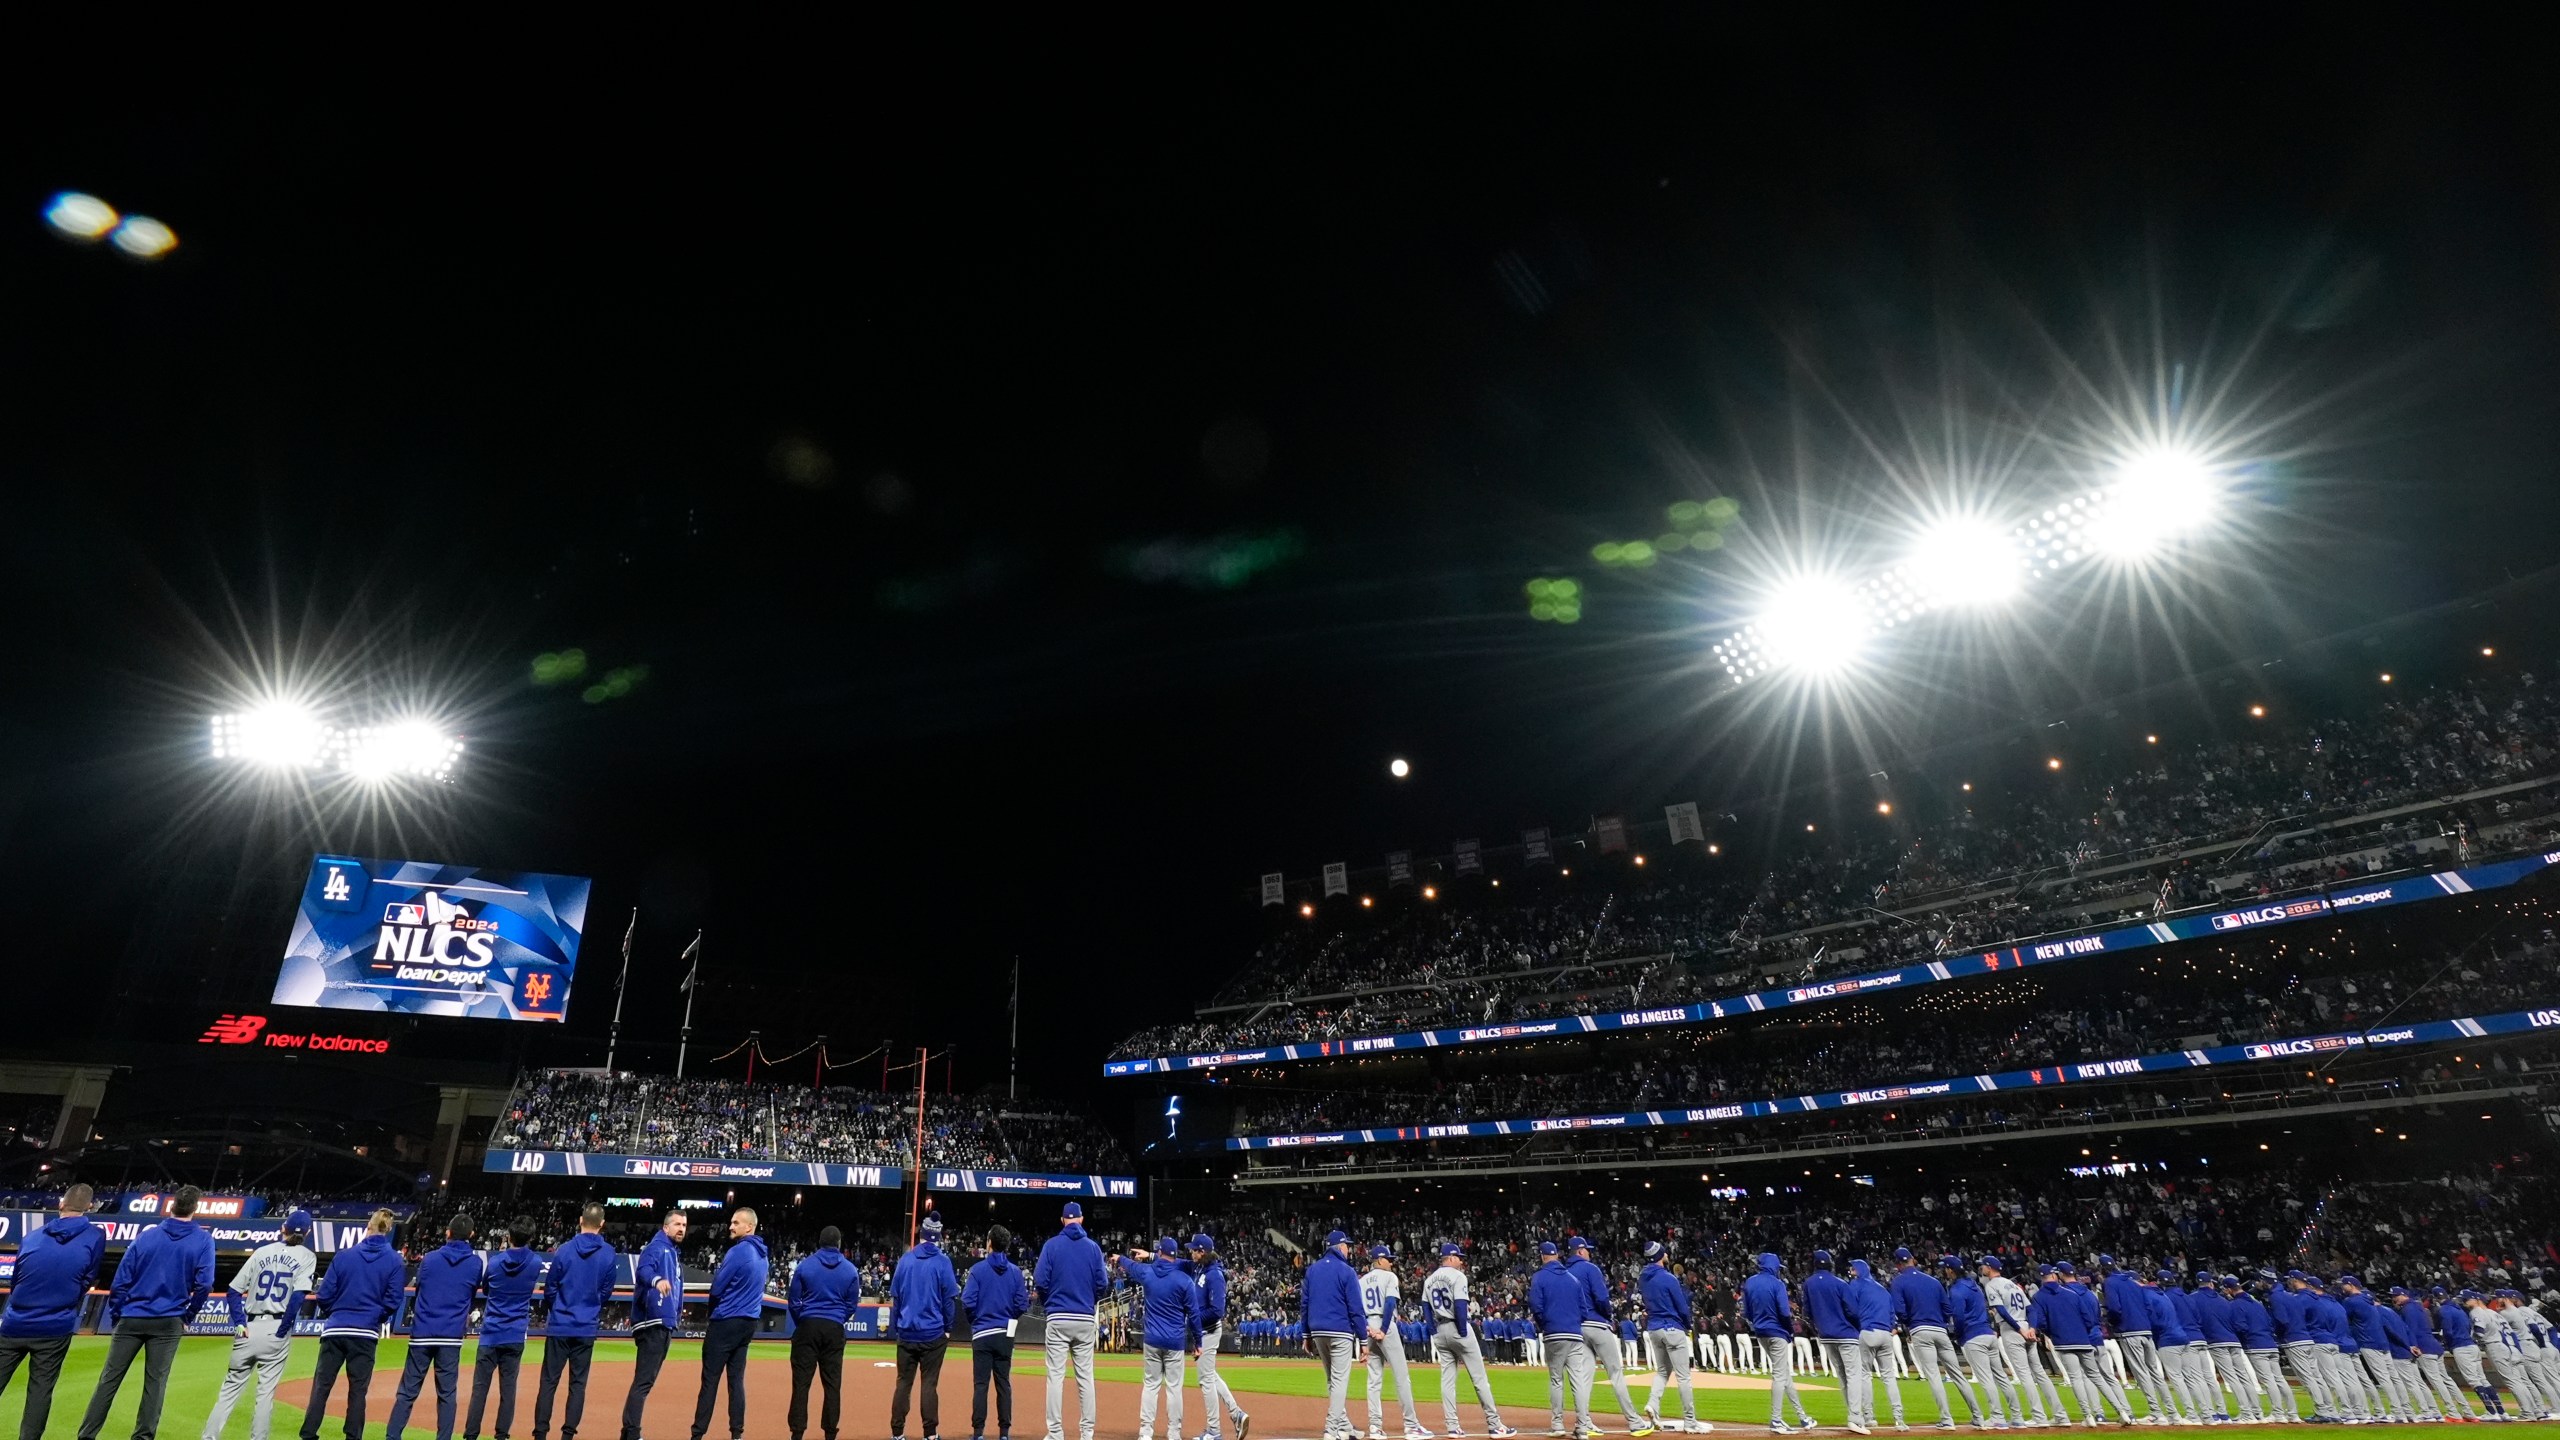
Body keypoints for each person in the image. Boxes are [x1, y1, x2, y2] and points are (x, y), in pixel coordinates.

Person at [0, 1183, 105, 1440]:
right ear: (89, 1207)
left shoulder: (33, 1236)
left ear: (60, 1204)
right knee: (40, 1391)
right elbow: (88, 1277)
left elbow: (17, 1281)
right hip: (55, 1325)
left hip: (15, 1321)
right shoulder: (95, 1235)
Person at [299, 1208, 406, 1440]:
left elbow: (324, 1295)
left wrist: (336, 1313)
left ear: (368, 1226)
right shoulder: (395, 1260)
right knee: (358, 1391)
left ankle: (308, 1433)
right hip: (365, 1333)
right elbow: (394, 1300)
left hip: (336, 1328)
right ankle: (352, 1436)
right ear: (388, 1230)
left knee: (321, 1387)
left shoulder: (344, 1256)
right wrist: (374, 1317)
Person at [386, 1216, 485, 1440]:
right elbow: (470, 1294)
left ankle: (392, 1436)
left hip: (423, 1331)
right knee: (447, 1394)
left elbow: (420, 1288)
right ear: (471, 1235)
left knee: (408, 1391)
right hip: (451, 1334)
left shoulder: (430, 1259)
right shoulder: (475, 1263)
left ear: (448, 1233)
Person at [535, 1204, 620, 1440]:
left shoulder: (564, 1250)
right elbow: (606, 1291)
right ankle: (568, 1435)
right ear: (602, 1223)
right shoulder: (608, 1253)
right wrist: (592, 1305)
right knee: (578, 1384)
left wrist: (559, 1308)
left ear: (581, 1220)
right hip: (586, 1327)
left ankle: (541, 1434)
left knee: (549, 1382)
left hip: (560, 1324)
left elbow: (550, 1288)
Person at [1420, 1243, 1511, 1439]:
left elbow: (1425, 1308)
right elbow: (1461, 1304)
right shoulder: (1458, 1276)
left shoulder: (1429, 1280)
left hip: (1440, 1330)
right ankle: (1495, 1425)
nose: (1461, 1261)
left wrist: (1433, 1331)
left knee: (1447, 1380)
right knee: (1479, 1378)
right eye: (1458, 1257)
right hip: (1457, 1326)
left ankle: (1452, 1427)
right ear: (1451, 1258)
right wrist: (1462, 1330)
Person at [692, 1208, 769, 1440]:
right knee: (736, 1381)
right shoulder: (764, 1255)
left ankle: (697, 1434)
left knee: (710, 1381)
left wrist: (712, 1310)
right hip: (748, 1323)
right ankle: (737, 1434)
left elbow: (716, 1288)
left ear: (750, 1227)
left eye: (736, 1222)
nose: (731, 1226)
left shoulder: (738, 1251)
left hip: (726, 1321)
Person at [1034, 1202, 1108, 1440]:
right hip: (1085, 1318)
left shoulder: (1051, 1245)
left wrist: (1050, 1304)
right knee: (1085, 1377)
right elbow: (1102, 1285)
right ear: (1082, 1220)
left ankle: (1055, 1433)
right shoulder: (1094, 1248)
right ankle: (1087, 1434)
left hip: (1058, 1317)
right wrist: (1088, 1302)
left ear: (1063, 1220)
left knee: (1055, 1377)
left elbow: (1040, 1281)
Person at [1888, 1248, 1984, 1430]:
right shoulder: (1933, 1281)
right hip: (1940, 1330)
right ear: (1913, 1260)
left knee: (1934, 1376)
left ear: (1898, 1264)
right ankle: (1978, 1417)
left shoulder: (1899, 1281)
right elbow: (1948, 1309)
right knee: (1958, 1375)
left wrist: (1910, 1322)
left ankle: (1947, 1420)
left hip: (1920, 1330)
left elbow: (1900, 1311)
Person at [466, 1220, 543, 1440]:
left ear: (509, 1236)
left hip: (491, 1333)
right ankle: (502, 1435)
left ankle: (471, 1434)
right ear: (530, 1238)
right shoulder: (535, 1262)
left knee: (480, 1389)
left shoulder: (495, 1262)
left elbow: (487, 1289)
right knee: (508, 1390)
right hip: (515, 1333)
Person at [1117, 1237, 1200, 1440]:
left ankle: (1146, 1433)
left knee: (1151, 1386)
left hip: (1152, 1340)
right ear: (1175, 1256)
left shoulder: (1148, 1272)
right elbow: (1195, 1314)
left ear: (1160, 1252)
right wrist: (1198, 1342)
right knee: (1174, 1389)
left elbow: (1132, 1266)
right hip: (1175, 1341)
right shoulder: (1184, 1280)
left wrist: (1120, 1258)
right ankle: (1173, 1433)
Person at [1566, 1238, 1650, 1437]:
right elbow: (1602, 1298)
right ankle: (1635, 1422)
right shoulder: (1590, 1268)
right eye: (1586, 1250)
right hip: (1596, 1324)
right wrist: (1607, 1315)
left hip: (1577, 1329)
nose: (1589, 1253)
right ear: (1579, 1251)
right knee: (1615, 1373)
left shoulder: (1564, 1272)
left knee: (1584, 1378)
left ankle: (1584, 1422)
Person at [2028, 1262, 2124, 1426]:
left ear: (2041, 1278)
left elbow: (2042, 1322)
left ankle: (2088, 1417)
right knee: (2097, 1377)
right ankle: (2122, 1412)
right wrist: (2082, 1332)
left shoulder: (2038, 1297)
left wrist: (2053, 1334)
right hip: (2084, 1340)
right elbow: (2088, 1319)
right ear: (2054, 1276)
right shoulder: (2071, 1294)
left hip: (2063, 1342)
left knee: (2076, 1379)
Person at [890, 1213, 959, 1440]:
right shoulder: (942, 1261)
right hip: (933, 1333)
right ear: (938, 1236)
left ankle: (897, 1433)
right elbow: (949, 1299)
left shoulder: (906, 1260)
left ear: (921, 1235)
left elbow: (896, 1300)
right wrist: (948, 1328)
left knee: (903, 1383)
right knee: (929, 1384)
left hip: (907, 1332)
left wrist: (896, 1327)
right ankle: (930, 1434)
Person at [788, 1225, 858, 1440]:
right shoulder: (850, 1269)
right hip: (834, 1328)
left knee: (801, 1384)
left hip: (808, 1326)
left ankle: (797, 1433)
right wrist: (837, 1319)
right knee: (832, 1385)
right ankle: (830, 1433)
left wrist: (804, 1319)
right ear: (839, 1244)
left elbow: (793, 1301)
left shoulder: (805, 1266)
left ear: (819, 1242)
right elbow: (851, 1305)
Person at [964, 1226, 1031, 1440]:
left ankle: (978, 1433)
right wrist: (1009, 1318)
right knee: (1004, 1384)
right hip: (1004, 1334)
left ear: (989, 1243)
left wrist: (976, 1321)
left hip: (983, 1334)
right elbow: (1022, 1304)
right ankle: (1004, 1433)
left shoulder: (978, 1270)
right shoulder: (1014, 1272)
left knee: (981, 1385)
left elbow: (967, 1301)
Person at [1184, 1235, 1251, 1440]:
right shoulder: (1199, 1267)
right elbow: (1179, 1264)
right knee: (1210, 1375)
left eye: (1194, 1250)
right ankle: (1236, 1413)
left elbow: (1217, 1310)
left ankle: (1214, 1431)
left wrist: (1192, 1319)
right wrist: (1154, 1255)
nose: (1191, 1252)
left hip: (1209, 1332)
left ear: (1202, 1252)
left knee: (1205, 1380)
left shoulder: (1214, 1275)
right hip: (1202, 1332)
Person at [628, 1212, 689, 1440]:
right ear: (665, 1227)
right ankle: (633, 1432)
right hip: (652, 1321)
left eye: (684, 1225)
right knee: (643, 1382)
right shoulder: (657, 1248)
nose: (681, 1228)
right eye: (677, 1224)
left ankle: (628, 1432)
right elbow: (643, 1271)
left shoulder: (672, 1252)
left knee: (645, 1381)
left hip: (663, 1322)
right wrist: (656, 1281)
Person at [1978, 1257, 2058, 1430]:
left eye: (1983, 1265)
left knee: (2025, 1376)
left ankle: (2039, 1416)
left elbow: (2001, 1310)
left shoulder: (1991, 1285)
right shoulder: (2013, 1285)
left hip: (2012, 1329)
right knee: (2040, 1374)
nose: (1981, 1268)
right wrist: (2032, 1329)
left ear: (1990, 1268)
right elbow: (2031, 1310)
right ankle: (2060, 1415)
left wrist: (2019, 1329)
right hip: (2026, 1327)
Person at [1361, 1244, 1429, 1440]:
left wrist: (1364, 1331)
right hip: (1384, 1325)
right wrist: (1382, 1329)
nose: (1391, 1263)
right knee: (1401, 1376)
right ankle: (1411, 1425)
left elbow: (1356, 1309)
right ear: (1380, 1260)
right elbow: (1390, 1303)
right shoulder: (1390, 1277)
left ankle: (1374, 1427)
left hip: (1367, 1325)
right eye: (1389, 1259)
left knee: (1374, 1380)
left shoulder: (1362, 1280)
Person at [1305, 1230, 1369, 1440]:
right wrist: (1363, 1340)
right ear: (1340, 1247)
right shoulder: (1347, 1271)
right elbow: (1356, 1309)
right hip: (1340, 1330)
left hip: (1317, 1331)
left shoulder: (1312, 1270)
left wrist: (1305, 1334)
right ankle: (1331, 1430)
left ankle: (1345, 1427)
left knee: (1332, 1380)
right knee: (1339, 1381)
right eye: (1347, 1246)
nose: (1349, 1250)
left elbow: (1304, 1303)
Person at [1530, 1243, 1596, 1440]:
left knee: (1556, 1380)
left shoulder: (1539, 1277)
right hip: (1575, 1334)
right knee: (1578, 1382)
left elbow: (1535, 1306)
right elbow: (1584, 1311)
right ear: (1557, 1256)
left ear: (1542, 1256)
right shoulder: (1573, 1279)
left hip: (1554, 1334)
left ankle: (1558, 1424)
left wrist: (1546, 1324)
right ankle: (1583, 1428)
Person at [1636, 1243, 1703, 1435]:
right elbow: (1681, 1307)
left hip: (1654, 1329)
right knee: (1683, 1377)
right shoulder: (1668, 1278)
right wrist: (1688, 1325)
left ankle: (1652, 1404)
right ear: (1659, 1255)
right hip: (1672, 1328)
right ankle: (1690, 1421)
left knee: (1662, 1372)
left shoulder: (1643, 1278)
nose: (1666, 1254)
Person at [1742, 1253, 1810, 1435]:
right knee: (1780, 1376)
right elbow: (1784, 1312)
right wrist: (1789, 1330)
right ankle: (1776, 1420)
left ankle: (1803, 1417)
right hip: (1777, 1332)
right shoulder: (1777, 1284)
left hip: (1760, 1332)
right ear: (1773, 1266)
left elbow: (1747, 1312)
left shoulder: (1750, 1282)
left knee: (1784, 1374)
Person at [1940, 1257, 2011, 1430]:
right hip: (1988, 1333)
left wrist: (1957, 1334)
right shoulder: (1975, 1286)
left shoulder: (1956, 1290)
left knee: (1986, 1379)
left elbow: (1959, 1316)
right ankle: (2016, 1417)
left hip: (1973, 1336)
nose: (1944, 1271)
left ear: (1950, 1270)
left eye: (1945, 1269)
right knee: (2001, 1377)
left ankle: (1998, 1417)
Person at [2273, 1272, 2340, 1422]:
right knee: (2318, 1377)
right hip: (2312, 1340)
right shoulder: (2319, 1299)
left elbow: (2288, 1319)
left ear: (2295, 1281)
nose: (2288, 1283)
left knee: (2308, 1378)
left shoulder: (2300, 1299)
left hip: (2299, 1339)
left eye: (2289, 1280)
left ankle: (2322, 1411)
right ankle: (2331, 1411)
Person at [2224, 1275, 2290, 1424]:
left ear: (2228, 1289)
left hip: (2255, 1345)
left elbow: (2240, 1326)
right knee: (2278, 1379)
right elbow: (2269, 1322)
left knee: (2268, 1380)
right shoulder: (2256, 1302)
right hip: (2270, 1343)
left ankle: (2278, 1413)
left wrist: (2245, 1339)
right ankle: (2290, 1413)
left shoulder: (2236, 1304)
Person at [2435, 1285, 2500, 1420]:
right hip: (2472, 1346)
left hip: (2461, 1347)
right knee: (2482, 1379)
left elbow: (2447, 1331)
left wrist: (2446, 1344)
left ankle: (2491, 1412)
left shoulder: (2445, 1310)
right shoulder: (2460, 1310)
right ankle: (2500, 1411)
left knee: (2474, 1381)